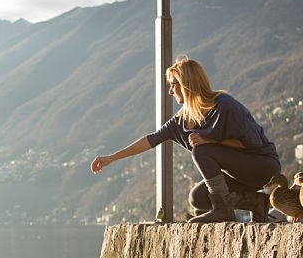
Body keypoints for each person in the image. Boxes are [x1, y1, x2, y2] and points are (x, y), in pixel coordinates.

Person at [90, 56, 280, 222]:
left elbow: (252, 144)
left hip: (262, 167)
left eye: (173, 84)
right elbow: (151, 139)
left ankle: (223, 210)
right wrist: (111, 158)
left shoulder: (224, 106)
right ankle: (256, 202)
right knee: (197, 198)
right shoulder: (181, 120)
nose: (170, 91)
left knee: (201, 149)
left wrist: (211, 141)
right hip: (238, 176)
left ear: (187, 84)